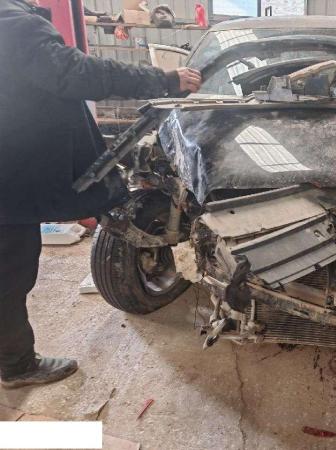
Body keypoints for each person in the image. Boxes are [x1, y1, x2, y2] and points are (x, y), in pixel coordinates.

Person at [0, 0, 201, 388]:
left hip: (11, 173)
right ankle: (16, 365)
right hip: (9, 180)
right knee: (10, 273)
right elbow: (79, 73)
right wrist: (164, 79)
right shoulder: (13, 23)